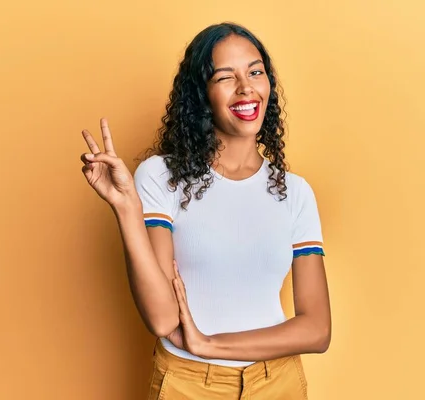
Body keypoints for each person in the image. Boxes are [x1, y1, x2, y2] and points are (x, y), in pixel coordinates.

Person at [80, 22, 331, 400]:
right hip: (189, 384)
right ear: (202, 95)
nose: (246, 87)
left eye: (255, 71)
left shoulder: (294, 192)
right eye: (225, 77)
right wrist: (127, 207)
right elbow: (163, 319)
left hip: (278, 383)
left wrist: (210, 344)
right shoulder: (161, 176)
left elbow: (317, 330)